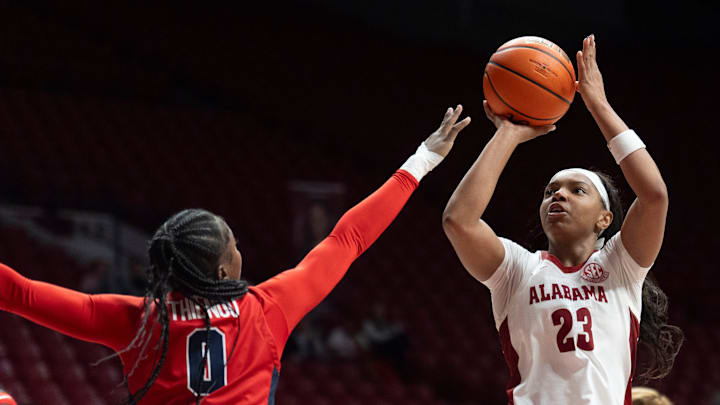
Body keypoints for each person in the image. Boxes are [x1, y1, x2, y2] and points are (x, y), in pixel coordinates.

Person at [0, 105, 471, 405]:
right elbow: (347, 239)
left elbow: (18, 293)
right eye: (236, 245)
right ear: (225, 268)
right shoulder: (268, 310)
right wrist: (422, 161)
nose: (242, 250)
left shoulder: (137, 322)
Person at [442, 35, 683, 404]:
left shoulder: (621, 266)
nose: (558, 195)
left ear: (605, 219)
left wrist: (598, 104)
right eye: (550, 190)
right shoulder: (518, 270)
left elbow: (654, 195)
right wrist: (507, 134)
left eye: (577, 190)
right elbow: (459, 220)